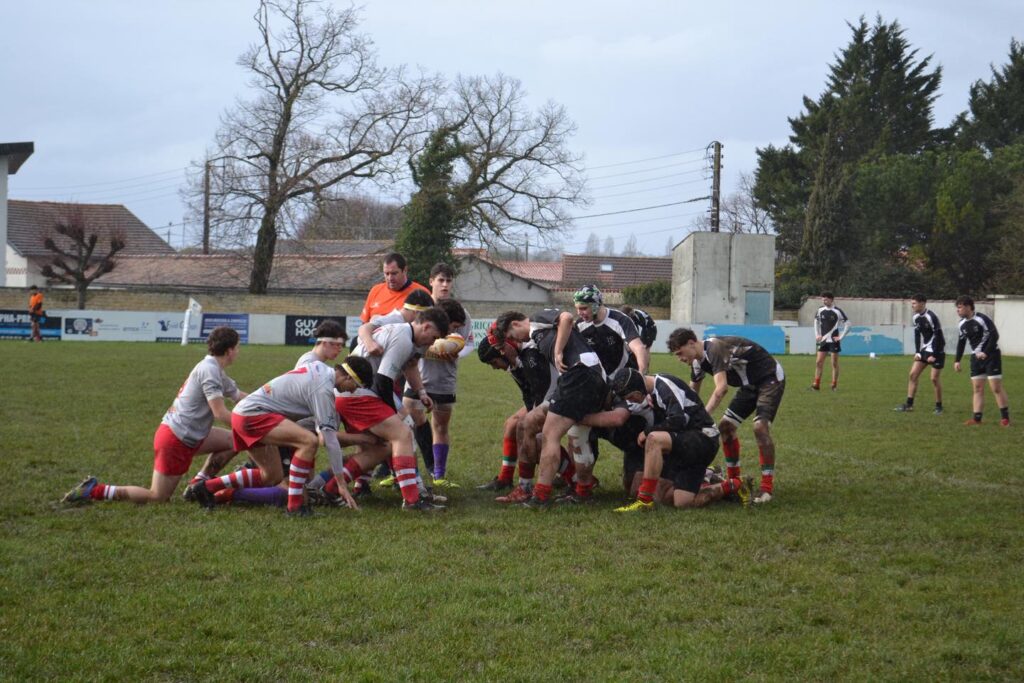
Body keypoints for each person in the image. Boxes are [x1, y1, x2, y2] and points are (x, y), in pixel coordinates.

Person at [61, 327, 246, 505]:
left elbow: (238, 396)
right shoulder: (209, 371)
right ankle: (94, 490)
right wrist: (251, 428)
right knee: (157, 497)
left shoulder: (214, 369)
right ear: (229, 351)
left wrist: (263, 400)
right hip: (177, 439)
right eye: (237, 348)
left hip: (190, 433)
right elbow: (220, 413)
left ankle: (198, 484)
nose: (238, 352)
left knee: (234, 440)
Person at [188, 359, 361, 516]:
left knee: (271, 476)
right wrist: (341, 483)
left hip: (245, 413)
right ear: (347, 377)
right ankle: (295, 508)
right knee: (309, 441)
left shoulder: (321, 368)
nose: (353, 390)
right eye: (356, 385)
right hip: (253, 415)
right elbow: (329, 439)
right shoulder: (323, 388)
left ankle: (206, 487)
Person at [494, 308, 606, 508]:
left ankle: (540, 496)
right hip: (590, 378)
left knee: (549, 434)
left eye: (512, 336)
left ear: (515, 324)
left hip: (579, 374)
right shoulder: (537, 337)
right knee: (574, 434)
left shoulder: (536, 320)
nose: (515, 341)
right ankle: (582, 491)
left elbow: (566, 317)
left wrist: (558, 351)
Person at [343, 306, 451, 511]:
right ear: (426, 327)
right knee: (404, 431)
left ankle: (352, 486)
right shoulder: (402, 338)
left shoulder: (415, 339)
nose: (432, 343)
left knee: (380, 441)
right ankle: (413, 496)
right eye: (434, 337)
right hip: (356, 391)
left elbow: (410, 366)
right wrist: (394, 414)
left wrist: (421, 392)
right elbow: (383, 381)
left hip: (358, 390)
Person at [668, 328, 784, 505]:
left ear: (691, 343)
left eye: (680, 353)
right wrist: (685, 416)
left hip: (770, 377)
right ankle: (734, 481)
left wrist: (702, 417)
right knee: (725, 427)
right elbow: (692, 395)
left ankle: (766, 488)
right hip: (749, 384)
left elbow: (721, 389)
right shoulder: (697, 362)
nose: (680, 359)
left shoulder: (714, 348)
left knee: (760, 427)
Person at [607, 368, 749, 512]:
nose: (631, 401)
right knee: (681, 502)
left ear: (638, 391)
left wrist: (647, 431)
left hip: (704, 439)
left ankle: (644, 501)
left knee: (654, 439)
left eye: (631, 397)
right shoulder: (649, 392)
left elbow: (677, 420)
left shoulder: (664, 386)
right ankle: (735, 485)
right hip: (685, 444)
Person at [954, 296, 1011, 427]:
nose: (958, 310)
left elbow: (994, 335)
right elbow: (961, 342)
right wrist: (957, 360)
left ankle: (1005, 419)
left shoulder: (982, 318)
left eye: (960, 307)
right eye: (957, 308)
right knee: (977, 388)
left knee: (996, 388)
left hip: (991, 356)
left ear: (968, 307)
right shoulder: (961, 324)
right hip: (976, 359)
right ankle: (977, 419)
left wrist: (986, 352)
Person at [573, 284, 648, 375]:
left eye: (583, 308)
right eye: (577, 309)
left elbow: (639, 348)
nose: (579, 313)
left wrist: (641, 374)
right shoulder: (580, 325)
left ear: (596, 305)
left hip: (621, 377)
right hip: (596, 378)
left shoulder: (620, 320)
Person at [894, 295, 945, 415]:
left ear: (922, 303)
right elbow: (917, 334)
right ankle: (909, 405)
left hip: (937, 350)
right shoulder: (915, 317)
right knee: (913, 375)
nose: (912, 306)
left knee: (934, 379)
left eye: (914, 303)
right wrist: (917, 351)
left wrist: (935, 354)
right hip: (925, 350)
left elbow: (939, 336)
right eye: (911, 303)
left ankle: (939, 407)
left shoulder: (931, 316)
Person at [359, 252, 431, 326]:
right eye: (387, 274)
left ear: (405, 270)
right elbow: (364, 323)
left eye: (394, 273)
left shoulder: (420, 293)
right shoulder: (375, 290)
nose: (390, 278)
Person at [812, 291, 850, 391]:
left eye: (826, 299)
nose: (824, 301)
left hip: (834, 341)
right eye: (823, 299)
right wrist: (817, 335)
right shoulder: (820, 310)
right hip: (824, 340)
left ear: (831, 300)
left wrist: (841, 337)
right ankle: (816, 384)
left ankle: (834, 384)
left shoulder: (838, 311)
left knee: (834, 363)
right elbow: (816, 322)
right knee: (818, 362)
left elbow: (848, 324)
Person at [620, 304, 658, 373]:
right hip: (646, 329)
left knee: (645, 349)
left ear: (629, 312)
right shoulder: (634, 313)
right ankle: (643, 367)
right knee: (642, 348)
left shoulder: (635, 315)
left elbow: (634, 330)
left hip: (650, 330)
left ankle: (645, 369)